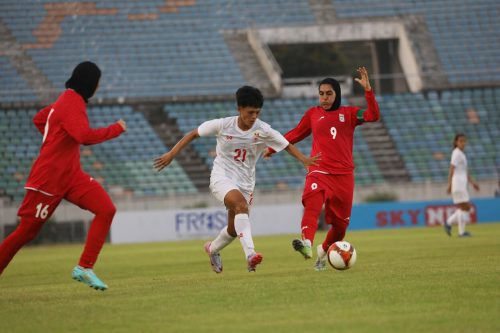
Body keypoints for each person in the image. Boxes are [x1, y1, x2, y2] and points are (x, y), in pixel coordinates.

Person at [154, 86, 319, 273]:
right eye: (250, 112)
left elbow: (286, 145)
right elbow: (193, 134)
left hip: (246, 183)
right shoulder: (223, 125)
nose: (254, 116)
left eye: (257, 112)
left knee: (233, 230)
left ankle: (212, 249)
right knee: (241, 206)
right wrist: (171, 154)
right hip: (221, 176)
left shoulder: (263, 130)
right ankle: (251, 255)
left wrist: (304, 159)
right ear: (239, 109)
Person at [0, 61, 127, 290]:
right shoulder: (72, 102)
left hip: (70, 175)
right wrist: (115, 129)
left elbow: (40, 119)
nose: (97, 87)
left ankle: (85, 267)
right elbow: (83, 136)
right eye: (97, 83)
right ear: (90, 83)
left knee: (106, 209)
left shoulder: (66, 100)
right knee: (26, 232)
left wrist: (55, 140)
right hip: (48, 179)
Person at [264, 67, 380, 271]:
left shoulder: (350, 113)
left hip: (344, 176)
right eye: (321, 94)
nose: (324, 98)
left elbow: (373, 115)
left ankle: (323, 251)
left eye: (329, 94)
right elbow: (296, 133)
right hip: (319, 170)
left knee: (340, 228)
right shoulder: (313, 114)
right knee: (312, 203)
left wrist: (368, 91)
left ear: (337, 95)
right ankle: (306, 244)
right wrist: (273, 148)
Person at [444, 134, 480, 237]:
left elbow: (465, 171)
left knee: (464, 208)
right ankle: (460, 231)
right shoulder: (456, 153)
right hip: (457, 184)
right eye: (460, 141)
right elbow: (451, 168)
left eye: (464, 141)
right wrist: (450, 184)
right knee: (466, 207)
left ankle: (449, 223)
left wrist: (472, 183)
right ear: (456, 142)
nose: (463, 143)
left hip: (462, 184)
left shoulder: (461, 154)